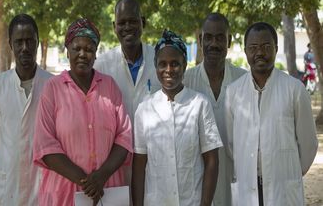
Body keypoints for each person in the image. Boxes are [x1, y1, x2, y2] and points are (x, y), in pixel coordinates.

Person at [33, 18, 133, 206]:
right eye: (76, 48)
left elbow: (124, 137)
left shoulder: (109, 86)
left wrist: (101, 176)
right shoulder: (52, 89)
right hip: (64, 194)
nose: (82, 54)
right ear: (67, 51)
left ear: (95, 54)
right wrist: (88, 183)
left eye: (88, 49)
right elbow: (45, 145)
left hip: (107, 191)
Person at [225, 22, 318, 206]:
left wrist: (288, 171)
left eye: (266, 47)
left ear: (276, 49)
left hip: (283, 189)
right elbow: (231, 143)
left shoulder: (294, 90)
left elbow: (308, 144)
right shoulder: (233, 92)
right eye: (253, 47)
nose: (260, 52)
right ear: (245, 51)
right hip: (247, 186)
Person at [132, 30, 223, 206]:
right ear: (155, 66)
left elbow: (212, 159)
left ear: (184, 65)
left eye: (175, 64)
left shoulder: (199, 104)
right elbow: (139, 166)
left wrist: (204, 203)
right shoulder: (144, 110)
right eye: (162, 64)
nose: (168, 70)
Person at [0, 14, 53, 205]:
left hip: (41, 186)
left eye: (30, 41)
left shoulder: (53, 85)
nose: (25, 48)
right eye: (19, 42)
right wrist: (13, 156)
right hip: (6, 188)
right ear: (10, 44)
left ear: (37, 42)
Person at [184, 13, 246, 206]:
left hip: (237, 180)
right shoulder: (186, 82)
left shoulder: (244, 81)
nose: (214, 44)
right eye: (208, 37)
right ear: (200, 40)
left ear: (229, 41)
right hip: (198, 185)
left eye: (220, 37)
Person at [94, 0, 160, 122]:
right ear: (114, 27)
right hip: (115, 142)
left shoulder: (160, 61)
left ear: (143, 22)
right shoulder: (101, 66)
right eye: (122, 23)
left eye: (133, 21)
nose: (127, 27)